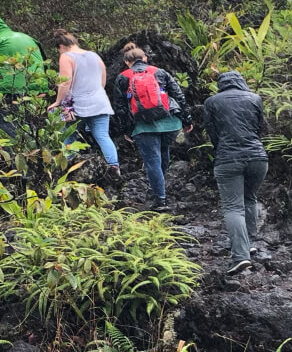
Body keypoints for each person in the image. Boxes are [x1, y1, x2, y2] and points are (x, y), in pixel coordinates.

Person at [201, 70, 267, 275]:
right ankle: (250, 243)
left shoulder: (212, 102)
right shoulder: (255, 98)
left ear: (221, 84)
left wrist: (220, 148)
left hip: (228, 159)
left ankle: (240, 256)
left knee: (233, 207)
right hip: (258, 158)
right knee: (250, 198)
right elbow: (262, 128)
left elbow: (212, 132)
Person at [110, 42, 190, 211]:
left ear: (127, 62)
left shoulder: (123, 77)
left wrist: (127, 130)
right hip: (170, 123)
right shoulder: (160, 72)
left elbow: (120, 107)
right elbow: (178, 95)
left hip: (143, 126)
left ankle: (160, 199)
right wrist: (186, 119)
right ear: (144, 58)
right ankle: (158, 187)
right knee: (163, 152)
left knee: (152, 161)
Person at [49, 29, 119, 175]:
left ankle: (65, 170)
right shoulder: (94, 55)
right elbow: (103, 78)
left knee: (68, 136)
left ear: (60, 46)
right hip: (100, 102)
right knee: (103, 136)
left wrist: (58, 102)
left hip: (78, 106)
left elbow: (65, 82)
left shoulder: (66, 57)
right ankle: (114, 168)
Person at [0, 14, 47, 134]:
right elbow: (43, 63)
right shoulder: (28, 38)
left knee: (7, 132)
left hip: (9, 94)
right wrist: (43, 88)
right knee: (34, 130)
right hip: (36, 93)